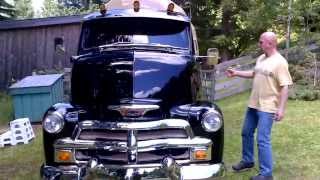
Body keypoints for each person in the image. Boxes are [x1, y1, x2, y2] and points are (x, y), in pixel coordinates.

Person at [226, 32, 293, 180]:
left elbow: (285, 86)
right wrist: (236, 73)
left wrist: (281, 109)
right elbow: (254, 74)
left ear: (270, 43)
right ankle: (248, 160)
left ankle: (266, 174)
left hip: (268, 107)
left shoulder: (280, 62)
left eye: (261, 41)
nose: (259, 44)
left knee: (262, 139)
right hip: (254, 104)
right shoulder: (261, 58)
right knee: (246, 132)